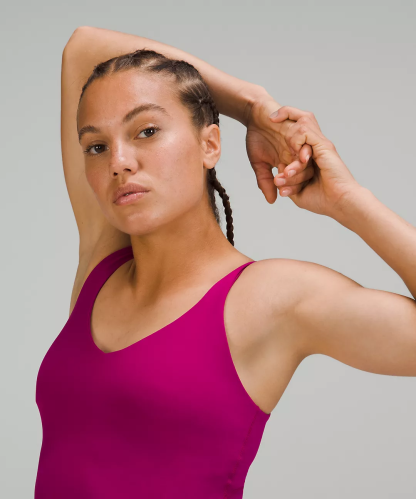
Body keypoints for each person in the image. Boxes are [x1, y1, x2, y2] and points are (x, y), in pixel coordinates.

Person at [34, 26, 416, 498]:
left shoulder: (269, 298)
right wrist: (251, 106)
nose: (119, 161)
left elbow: (86, 49)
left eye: (147, 131)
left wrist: (349, 201)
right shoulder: (102, 267)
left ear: (210, 145)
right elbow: (83, 48)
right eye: (97, 146)